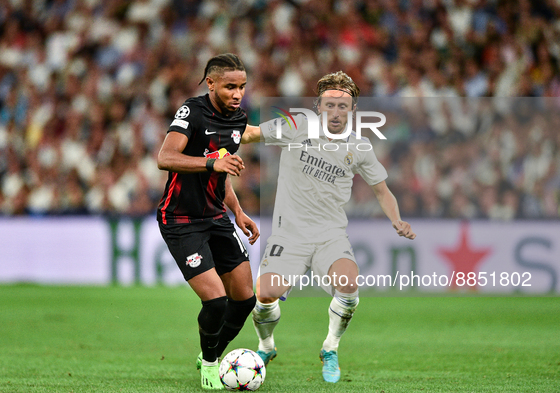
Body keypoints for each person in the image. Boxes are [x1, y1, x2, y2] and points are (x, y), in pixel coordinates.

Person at [241, 71, 416, 383]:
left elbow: (382, 190)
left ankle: (330, 347)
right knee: (266, 293)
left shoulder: (359, 147)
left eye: (343, 106)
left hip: (329, 235)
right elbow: (251, 133)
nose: (336, 112)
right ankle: (266, 345)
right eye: (330, 105)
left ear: (352, 110)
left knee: (348, 285)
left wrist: (396, 220)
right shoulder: (295, 126)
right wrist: (214, 134)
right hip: (289, 233)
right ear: (318, 106)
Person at [157, 53, 259, 390]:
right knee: (215, 300)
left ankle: (211, 354)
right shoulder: (193, 111)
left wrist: (238, 211)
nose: (237, 93)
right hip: (180, 219)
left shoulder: (238, 120)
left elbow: (223, 174)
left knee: (245, 299)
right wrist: (210, 163)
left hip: (216, 216)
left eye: (242, 86)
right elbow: (165, 158)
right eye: (230, 86)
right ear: (211, 83)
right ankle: (211, 364)